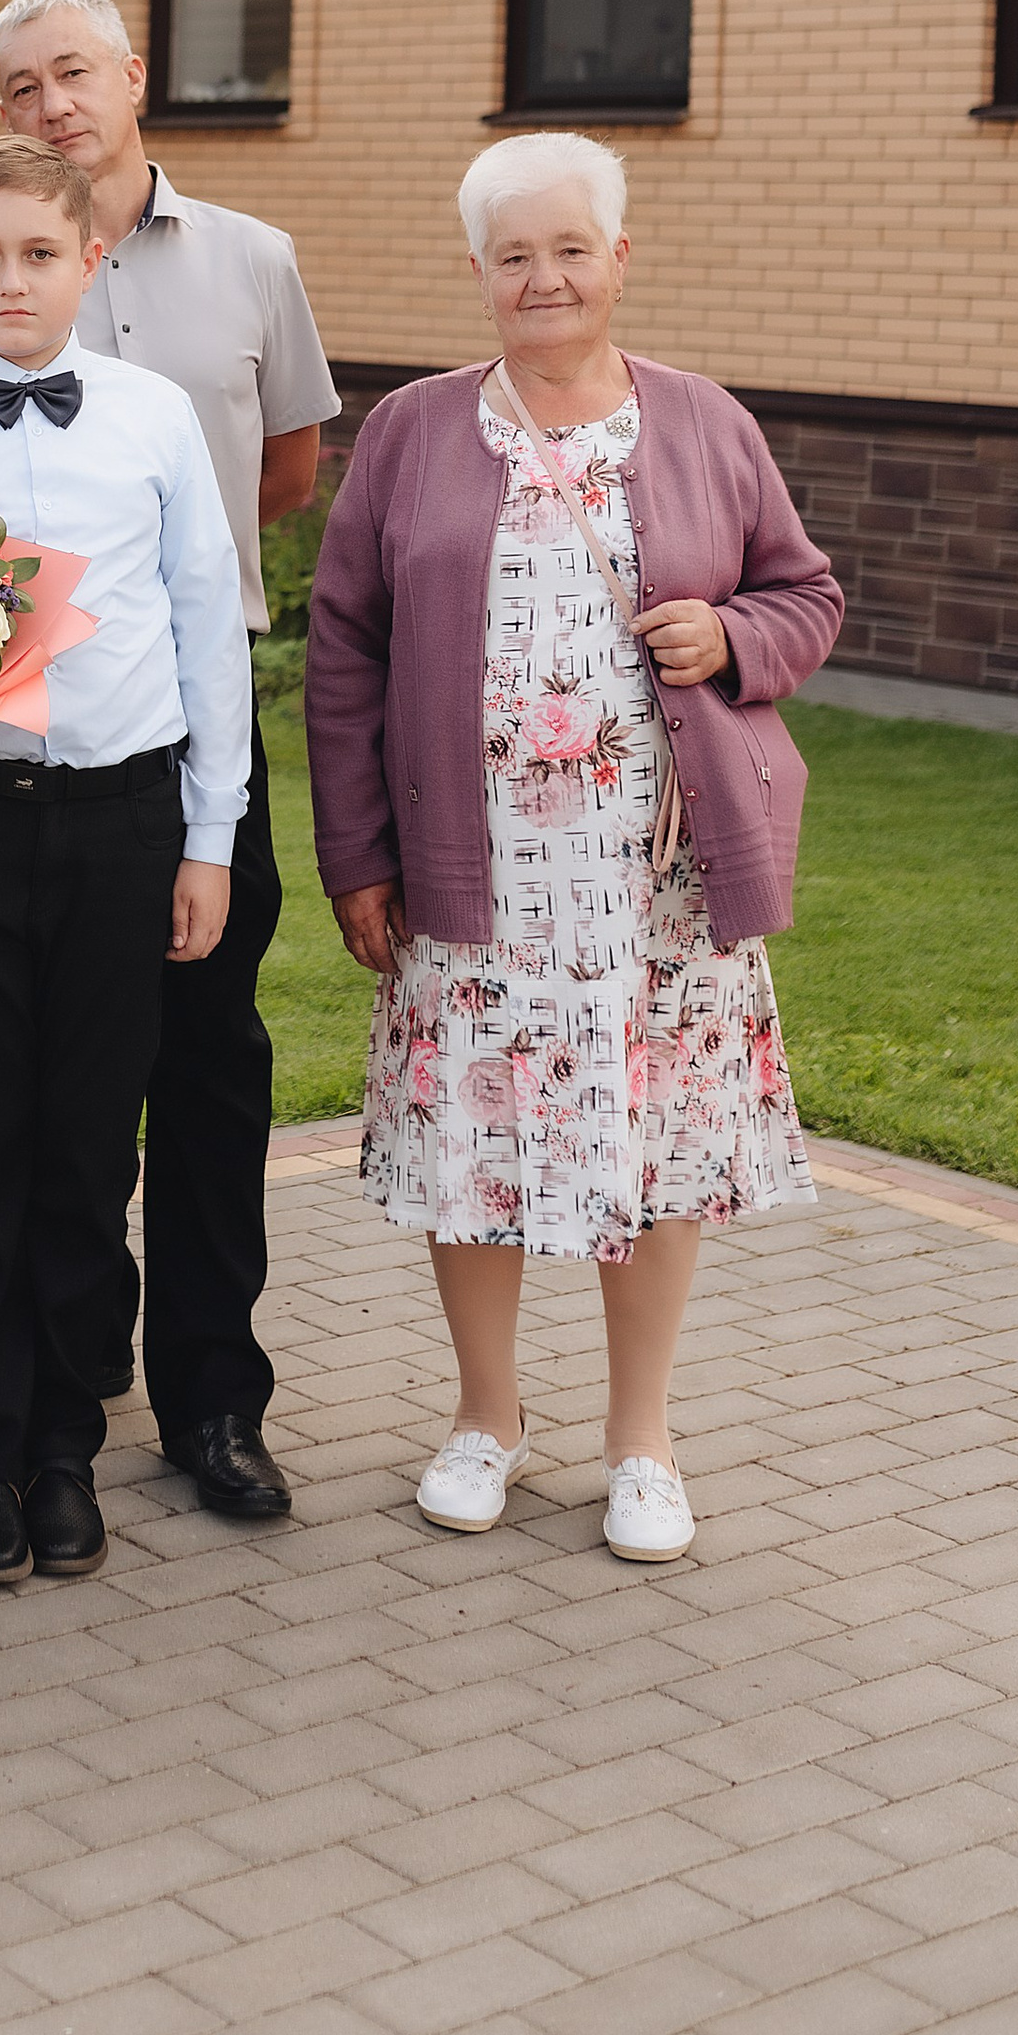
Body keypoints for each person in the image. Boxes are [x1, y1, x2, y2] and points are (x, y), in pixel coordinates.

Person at [304, 132, 842, 1563]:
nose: (543, 276)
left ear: (619, 257)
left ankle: (641, 1439)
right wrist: (357, 851)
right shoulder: (415, 430)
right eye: (512, 254)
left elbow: (807, 592)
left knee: (656, 1144)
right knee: (474, 1142)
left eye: (569, 248)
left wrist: (732, 635)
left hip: (655, 881)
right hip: (470, 875)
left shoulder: (707, 421)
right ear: (477, 272)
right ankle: (487, 1415)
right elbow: (344, 645)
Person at [0, 135, 251, 1589]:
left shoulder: (153, 419)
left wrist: (207, 840)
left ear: (91, 258)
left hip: (120, 821)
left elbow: (211, 634)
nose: (12, 279)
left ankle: (67, 1445)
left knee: (89, 1143)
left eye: (41, 252)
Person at [0, 0, 335, 1523]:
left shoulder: (252, 259)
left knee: (207, 1061)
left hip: (199, 734)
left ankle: (212, 1392)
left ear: (136, 76)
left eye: (76, 72)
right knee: (61, 1075)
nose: (53, 103)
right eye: (18, 87)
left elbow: (283, 469)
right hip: (20, 747)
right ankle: (68, 1370)